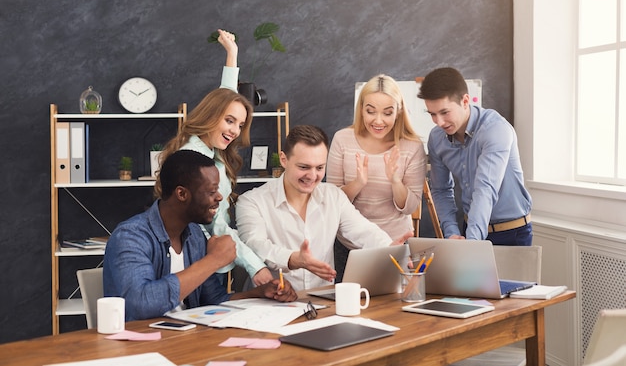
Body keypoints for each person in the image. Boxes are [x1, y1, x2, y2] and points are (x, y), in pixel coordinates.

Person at [103, 150, 297, 321]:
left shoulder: (194, 235)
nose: (220, 197)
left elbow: (215, 300)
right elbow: (141, 304)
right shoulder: (130, 237)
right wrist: (213, 260)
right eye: (211, 191)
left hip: (187, 342)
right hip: (142, 349)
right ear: (182, 194)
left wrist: (260, 293)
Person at [156, 30, 273, 287]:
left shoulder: (207, 144)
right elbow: (218, 227)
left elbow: (225, 99)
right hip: (201, 262)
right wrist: (256, 267)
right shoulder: (199, 163)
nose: (234, 130)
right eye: (229, 121)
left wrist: (232, 54)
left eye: (240, 125)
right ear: (211, 114)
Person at [236, 125, 412, 291]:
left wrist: (390, 247)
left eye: (320, 167)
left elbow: (364, 231)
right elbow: (255, 245)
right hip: (268, 303)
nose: (312, 176)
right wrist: (294, 259)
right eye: (304, 167)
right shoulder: (251, 201)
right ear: (284, 159)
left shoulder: (333, 196)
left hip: (321, 301)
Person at [327, 74, 426, 281]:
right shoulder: (342, 139)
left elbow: (409, 206)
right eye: (371, 111)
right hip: (350, 247)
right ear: (361, 109)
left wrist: (395, 181)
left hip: (397, 243)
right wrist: (358, 184)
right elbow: (331, 201)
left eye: (387, 113)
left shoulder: (412, 146)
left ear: (398, 112)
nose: (378, 121)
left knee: (394, 308)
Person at [418, 67, 532, 245]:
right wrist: (451, 234)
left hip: (511, 233)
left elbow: (485, 189)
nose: (439, 122)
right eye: (432, 114)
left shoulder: (496, 130)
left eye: (444, 112)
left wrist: (471, 245)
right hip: (469, 228)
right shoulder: (436, 138)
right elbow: (441, 190)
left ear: (465, 101)